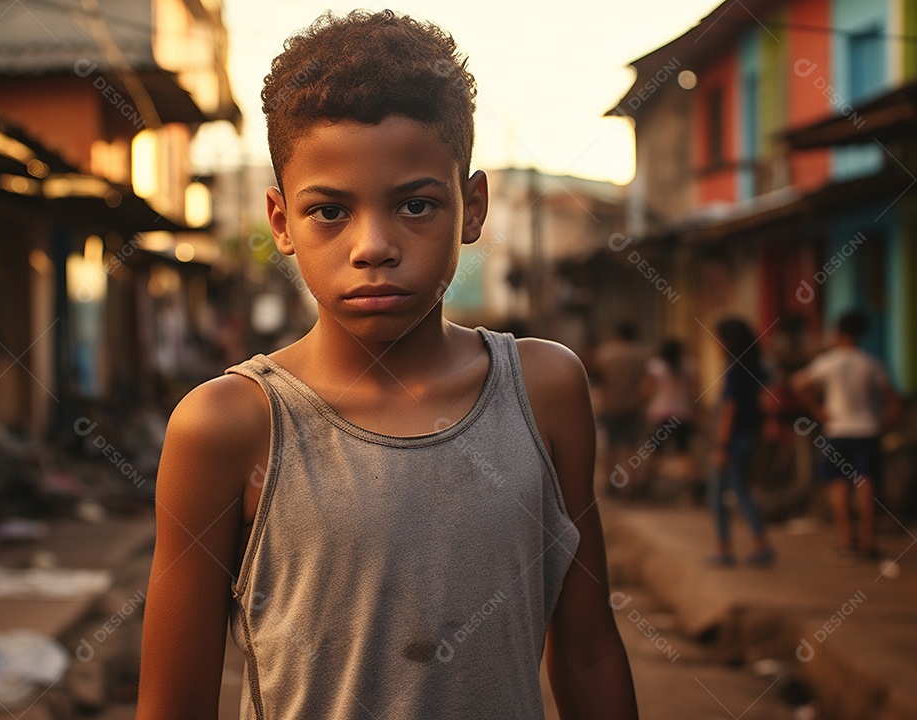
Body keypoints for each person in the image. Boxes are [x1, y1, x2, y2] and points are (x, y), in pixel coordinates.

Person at [136, 10, 637, 720]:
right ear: (280, 222)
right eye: (330, 212)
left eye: (415, 204)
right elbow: (172, 704)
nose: (373, 245)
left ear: (472, 207)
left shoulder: (545, 390)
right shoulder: (228, 426)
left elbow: (587, 650)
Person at [791, 310, 901, 559]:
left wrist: (817, 410)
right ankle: (868, 542)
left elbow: (798, 384)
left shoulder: (828, 361)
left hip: (837, 430)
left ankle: (845, 540)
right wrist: (882, 424)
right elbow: (894, 403)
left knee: (839, 485)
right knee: (866, 485)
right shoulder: (871, 363)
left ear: (838, 332)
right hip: (867, 431)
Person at [708, 318, 775, 567]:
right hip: (750, 435)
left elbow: (728, 410)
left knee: (722, 494)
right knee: (741, 489)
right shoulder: (759, 368)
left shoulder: (734, 371)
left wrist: (721, 447)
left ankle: (726, 549)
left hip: (732, 440)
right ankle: (758, 543)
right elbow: (767, 399)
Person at [593, 322, 649, 493]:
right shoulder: (641, 355)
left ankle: (611, 484)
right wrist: (638, 401)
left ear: (616, 334)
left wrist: (602, 401)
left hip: (610, 407)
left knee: (610, 447)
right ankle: (630, 485)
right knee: (631, 447)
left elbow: (599, 382)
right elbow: (646, 384)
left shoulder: (604, 354)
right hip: (632, 407)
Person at [639, 339, 697, 498]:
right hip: (683, 415)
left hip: (661, 414)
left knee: (655, 452)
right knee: (684, 452)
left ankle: (646, 486)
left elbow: (646, 390)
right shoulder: (689, 366)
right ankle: (690, 489)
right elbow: (694, 391)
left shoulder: (655, 367)